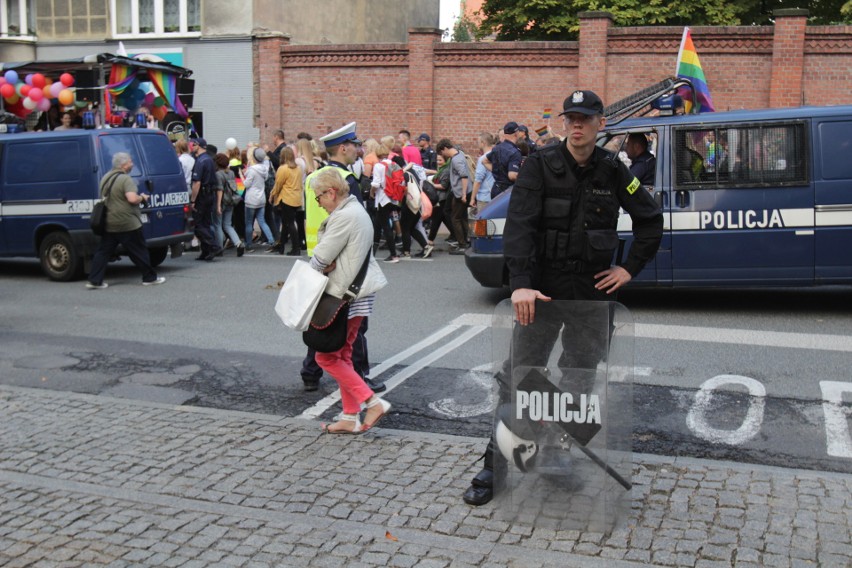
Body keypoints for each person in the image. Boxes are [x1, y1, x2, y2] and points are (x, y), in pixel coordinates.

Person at [461, 89, 664, 507]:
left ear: (599, 124)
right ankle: (496, 463)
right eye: (571, 117)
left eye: (585, 118)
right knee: (519, 375)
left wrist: (629, 269)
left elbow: (650, 220)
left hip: (590, 294)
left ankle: (556, 453)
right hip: (542, 289)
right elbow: (519, 225)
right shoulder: (538, 165)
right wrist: (519, 282)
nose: (577, 125)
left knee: (578, 377)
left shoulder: (613, 169)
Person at [302, 122, 384, 394]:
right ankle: (360, 378)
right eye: (356, 145)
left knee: (323, 319)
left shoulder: (315, 176)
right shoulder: (343, 180)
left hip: (320, 255)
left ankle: (310, 372)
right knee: (351, 327)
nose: (359, 149)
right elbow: (354, 229)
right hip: (338, 261)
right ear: (344, 147)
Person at [307, 167, 391, 434]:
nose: (318, 203)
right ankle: (348, 416)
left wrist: (320, 265)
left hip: (346, 297)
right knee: (342, 356)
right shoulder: (355, 211)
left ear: (331, 192)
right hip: (357, 295)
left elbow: (319, 259)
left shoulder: (344, 216)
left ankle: (372, 402)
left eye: (319, 197)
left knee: (326, 358)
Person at [86, 152, 166, 289]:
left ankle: (94, 280)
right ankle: (149, 277)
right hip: (128, 222)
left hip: (110, 222)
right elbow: (132, 199)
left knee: (103, 252)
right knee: (139, 251)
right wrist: (142, 198)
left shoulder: (105, 178)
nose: (132, 164)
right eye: (130, 162)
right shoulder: (125, 179)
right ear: (123, 165)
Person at [435, 138, 471, 255]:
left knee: (455, 218)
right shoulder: (459, 154)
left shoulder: (456, 160)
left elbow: (464, 176)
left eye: (441, 153)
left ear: (445, 148)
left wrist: (464, 194)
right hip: (463, 191)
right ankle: (467, 241)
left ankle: (462, 245)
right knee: (462, 217)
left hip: (461, 192)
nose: (442, 156)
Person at [190, 138, 222, 261]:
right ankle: (206, 251)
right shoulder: (209, 160)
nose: (192, 146)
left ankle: (214, 246)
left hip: (202, 196)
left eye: (194, 144)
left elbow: (196, 183)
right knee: (206, 223)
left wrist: (193, 200)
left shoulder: (201, 161)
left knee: (198, 224)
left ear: (200, 146)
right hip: (210, 194)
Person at [269, 146, 303, 256]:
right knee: (286, 223)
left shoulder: (283, 168)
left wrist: (272, 195)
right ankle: (281, 245)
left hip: (286, 198)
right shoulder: (298, 168)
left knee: (289, 223)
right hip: (296, 198)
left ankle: (295, 248)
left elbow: (278, 185)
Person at [242, 147, 275, 252]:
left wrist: (241, 175)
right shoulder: (264, 168)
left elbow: (246, 184)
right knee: (262, 221)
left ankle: (248, 245)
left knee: (248, 223)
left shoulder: (252, 170)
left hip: (251, 199)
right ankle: (271, 241)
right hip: (261, 199)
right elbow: (264, 179)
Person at [215, 153, 245, 257]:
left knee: (218, 225)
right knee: (227, 225)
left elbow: (220, 190)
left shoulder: (218, 174)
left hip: (222, 201)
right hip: (231, 201)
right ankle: (238, 243)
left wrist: (218, 205)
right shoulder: (231, 173)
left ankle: (219, 248)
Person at [484, 122, 523, 198]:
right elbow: (512, 175)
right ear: (516, 134)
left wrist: (497, 171)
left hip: (495, 188)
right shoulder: (515, 152)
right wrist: (524, 177)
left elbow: (484, 161)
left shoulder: (496, 148)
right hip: (507, 191)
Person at [469, 132, 496, 214]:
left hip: (484, 197)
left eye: (478, 142)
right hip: (495, 195)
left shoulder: (483, 159)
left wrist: (472, 198)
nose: (477, 144)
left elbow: (478, 181)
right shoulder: (496, 155)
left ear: (483, 143)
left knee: (482, 223)